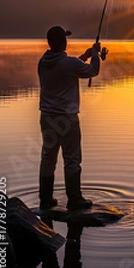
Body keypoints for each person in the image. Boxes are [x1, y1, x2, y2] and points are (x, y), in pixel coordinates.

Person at [38, 26, 101, 210]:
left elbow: (69, 68)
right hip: (66, 119)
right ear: (62, 42)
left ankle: (45, 199)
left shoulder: (43, 62)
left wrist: (85, 55)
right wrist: (95, 54)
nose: (67, 41)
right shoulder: (69, 64)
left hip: (47, 117)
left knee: (48, 158)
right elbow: (92, 71)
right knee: (72, 160)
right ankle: (74, 200)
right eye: (65, 38)